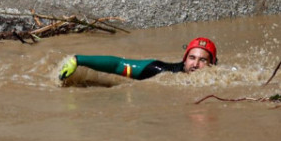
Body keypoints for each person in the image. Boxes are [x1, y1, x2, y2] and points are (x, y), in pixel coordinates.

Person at [58, 37, 217, 81]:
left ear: (213, 64)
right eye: (192, 57)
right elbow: (118, 64)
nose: (195, 64)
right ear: (184, 59)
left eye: (203, 60)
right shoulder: (160, 71)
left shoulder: (221, 78)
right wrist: (78, 60)